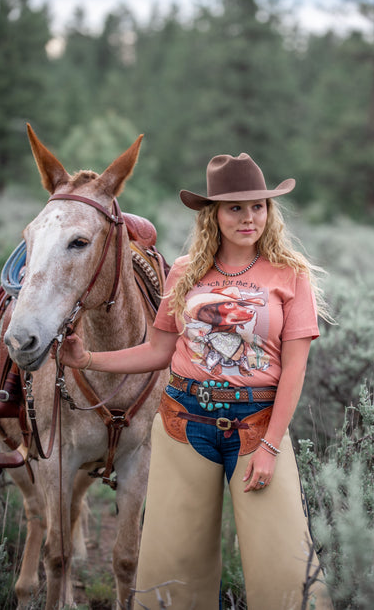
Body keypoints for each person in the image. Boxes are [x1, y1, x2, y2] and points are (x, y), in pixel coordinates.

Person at [58, 152, 333, 610]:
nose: (249, 218)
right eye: (235, 207)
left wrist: (270, 447)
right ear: (214, 214)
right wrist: (87, 359)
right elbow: (157, 351)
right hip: (184, 423)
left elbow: (295, 368)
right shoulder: (186, 272)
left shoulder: (291, 274)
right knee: (173, 572)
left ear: (270, 210)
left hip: (257, 427)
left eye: (258, 206)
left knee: (286, 572)